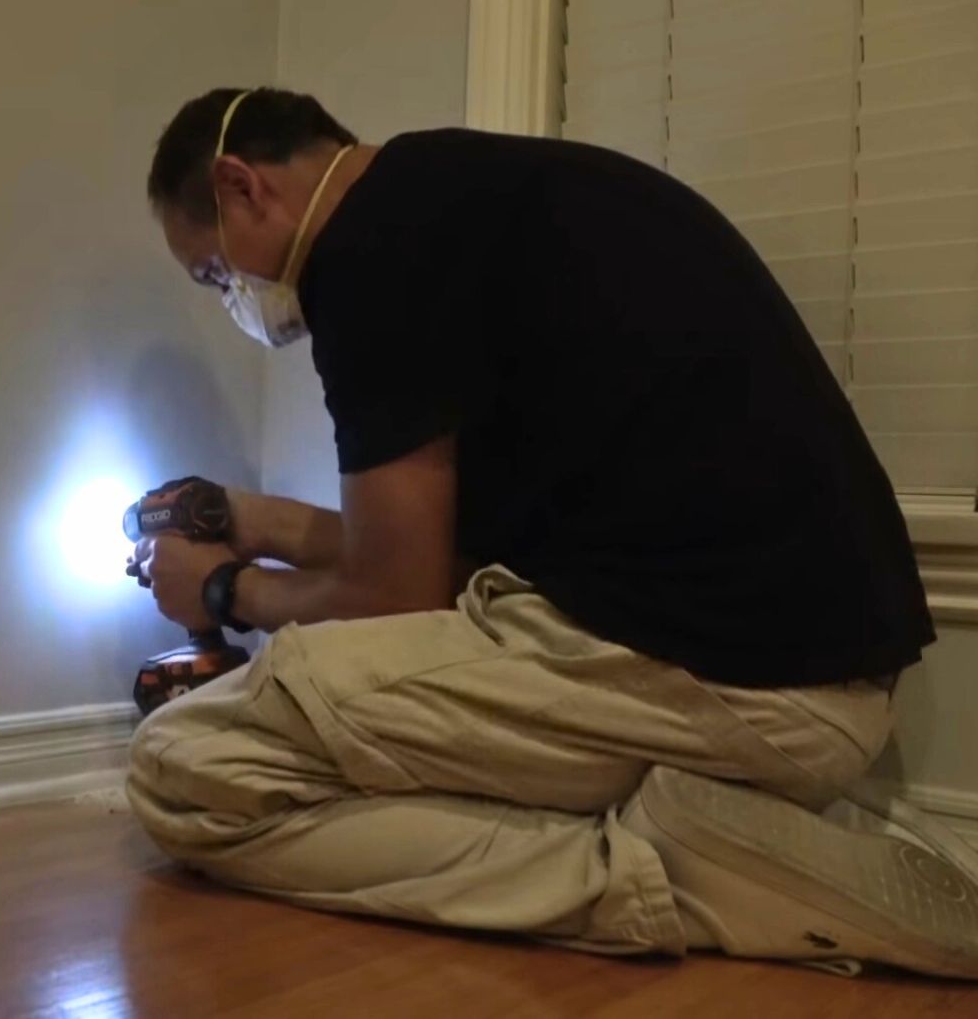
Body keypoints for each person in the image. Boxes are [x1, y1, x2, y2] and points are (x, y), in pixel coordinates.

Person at [124, 86, 978, 978]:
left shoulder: (368, 251)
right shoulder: (473, 198)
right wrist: (250, 520)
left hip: (733, 684)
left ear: (242, 185)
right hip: (811, 680)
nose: (237, 298)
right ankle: (735, 826)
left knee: (188, 762)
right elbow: (436, 561)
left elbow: (392, 599)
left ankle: (672, 875)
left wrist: (224, 590)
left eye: (216, 274)